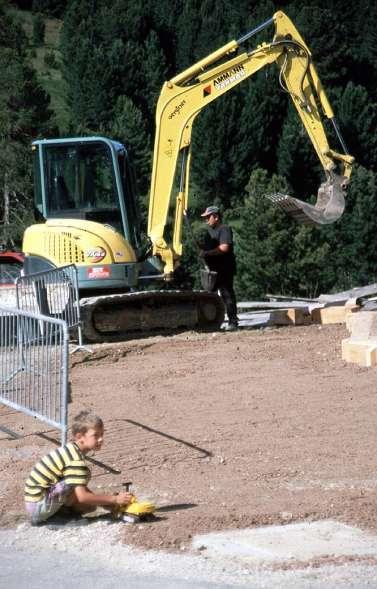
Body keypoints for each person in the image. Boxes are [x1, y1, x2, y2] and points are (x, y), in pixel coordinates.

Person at [24, 410, 133, 525]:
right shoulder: (75, 460)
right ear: (80, 437)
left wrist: (106, 503)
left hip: (37, 503)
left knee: (89, 505)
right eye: (96, 435)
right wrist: (114, 499)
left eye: (102, 434)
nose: (101, 439)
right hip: (38, 507)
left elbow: (81, 491)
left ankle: (58, 514)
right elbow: (82, 496)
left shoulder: (71, 450)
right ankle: (56, 517)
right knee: (84, 491)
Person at [199, 205, 239, 330]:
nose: (206, 220)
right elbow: (206, 249)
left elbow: (224, 248)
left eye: (208, 217)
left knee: (227, 295)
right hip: (212, 271)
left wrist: (207, 253)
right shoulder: (209, 233)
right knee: (209, 297)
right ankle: (211, 323)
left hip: (224, 269)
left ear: (215, 217)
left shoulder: (224, 229)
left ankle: (233, 322)